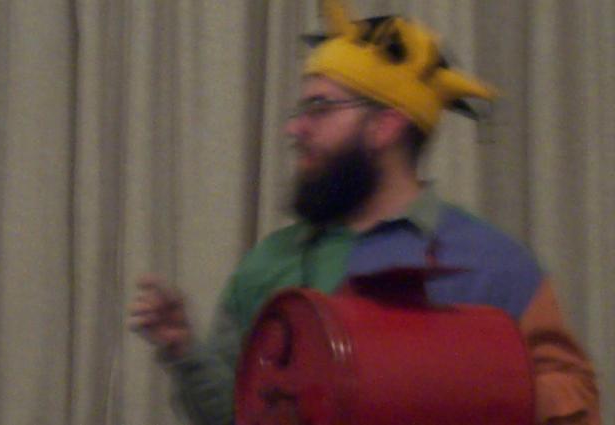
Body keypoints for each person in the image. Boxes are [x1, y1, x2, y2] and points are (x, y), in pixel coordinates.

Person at [129, 1, 600, 424]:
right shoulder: (268, 264)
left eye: (320, 108)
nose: (295, 128)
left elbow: (576, 403)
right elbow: (236, 415)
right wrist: (183, 350)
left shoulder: (495, 264)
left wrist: (455, 387)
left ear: (385, 125)